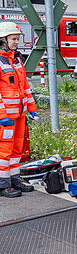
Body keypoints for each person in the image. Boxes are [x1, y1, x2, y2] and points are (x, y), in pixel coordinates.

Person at [0, 22, 37, 197]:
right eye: (13, 39)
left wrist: (31, 108)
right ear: (3, 40)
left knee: (17, 150)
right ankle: (3, 184)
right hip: (6, 118)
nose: (16, 42)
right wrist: (1, 116)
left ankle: (15, 179)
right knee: (4, 152)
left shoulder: (16, 60)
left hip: (20, 115)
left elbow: (25, 87)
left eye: (17, 39)